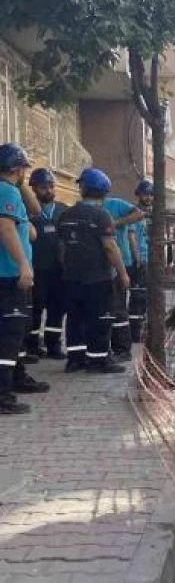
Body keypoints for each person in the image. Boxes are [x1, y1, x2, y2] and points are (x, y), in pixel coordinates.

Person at [57, 168, 129, 374]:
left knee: (74, 318)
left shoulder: (66, 215)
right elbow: (110, 247)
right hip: (98, 278)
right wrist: (123, 274)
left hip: (71, 277)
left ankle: (75, 359)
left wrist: (68, 268)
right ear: (104, 192)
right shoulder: (102, 215)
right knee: (100, 318)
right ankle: (98, 360)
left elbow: (62, 248)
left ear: (82, 189)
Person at [0, 143, 51, 415]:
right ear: (17, 169)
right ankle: (3, 396)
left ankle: (16, 379)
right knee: (9, 336)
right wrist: (23, 265)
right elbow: (5, 228)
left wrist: (25, 226)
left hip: (8, 275)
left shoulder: (10, 192)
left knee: (14, 334)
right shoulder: (6, 190)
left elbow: (32, 220)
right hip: (10, 275)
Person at [23, 168, 69, 360]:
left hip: (58, 270)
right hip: (36, 269)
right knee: (35, 308)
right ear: (33, 188)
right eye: (43, 187)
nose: (48, 190)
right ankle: (32, 346)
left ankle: (53, 345)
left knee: (57, 309)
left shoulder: (63, 210)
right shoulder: (26, 210)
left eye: (51, 186)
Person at [102, 182, 145, 358]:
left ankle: (122, 347)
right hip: (100, 265)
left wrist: (116, 223)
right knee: (107, 306)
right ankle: (110, 344)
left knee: (118, 304)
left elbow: (138, 215)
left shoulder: (116, 205)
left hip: (120, 261)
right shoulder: (86, 210)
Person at [128, 179, 153, 343]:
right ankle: (135, 332)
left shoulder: (152, 214)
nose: (149, 197)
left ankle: (144, 328)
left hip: (151, 260)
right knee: (137, 296)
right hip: (139, 261)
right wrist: (137, 258)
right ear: (138, 195)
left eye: (151, 195)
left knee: (146, 296)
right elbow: (132, 236)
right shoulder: (134, 212)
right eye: (146, 194)